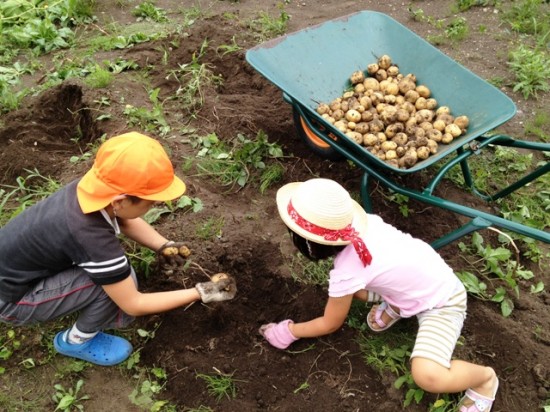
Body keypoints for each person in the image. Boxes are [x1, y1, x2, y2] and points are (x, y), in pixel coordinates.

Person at [259, 178, 499, 412]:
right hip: (422, 280)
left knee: (427, 376)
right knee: (359, 292)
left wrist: (288, 331)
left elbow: (329, 323)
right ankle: (399, 304)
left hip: (443, 301)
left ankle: (484, 380)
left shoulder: (346, 273)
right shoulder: (366, 223)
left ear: (310, 245)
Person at [0, 132, 236, 366]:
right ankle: (75, 341)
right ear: (120, 201)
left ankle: (80, 304)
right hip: (13, 300)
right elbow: (134, 303)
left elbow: (123, 218)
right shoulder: (91, 239)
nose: (155, 205)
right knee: (115, 282)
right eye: (152, 202)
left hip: (15, 270)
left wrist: (164, 245)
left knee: (118, 275)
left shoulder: (90, 190)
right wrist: (203, 291)